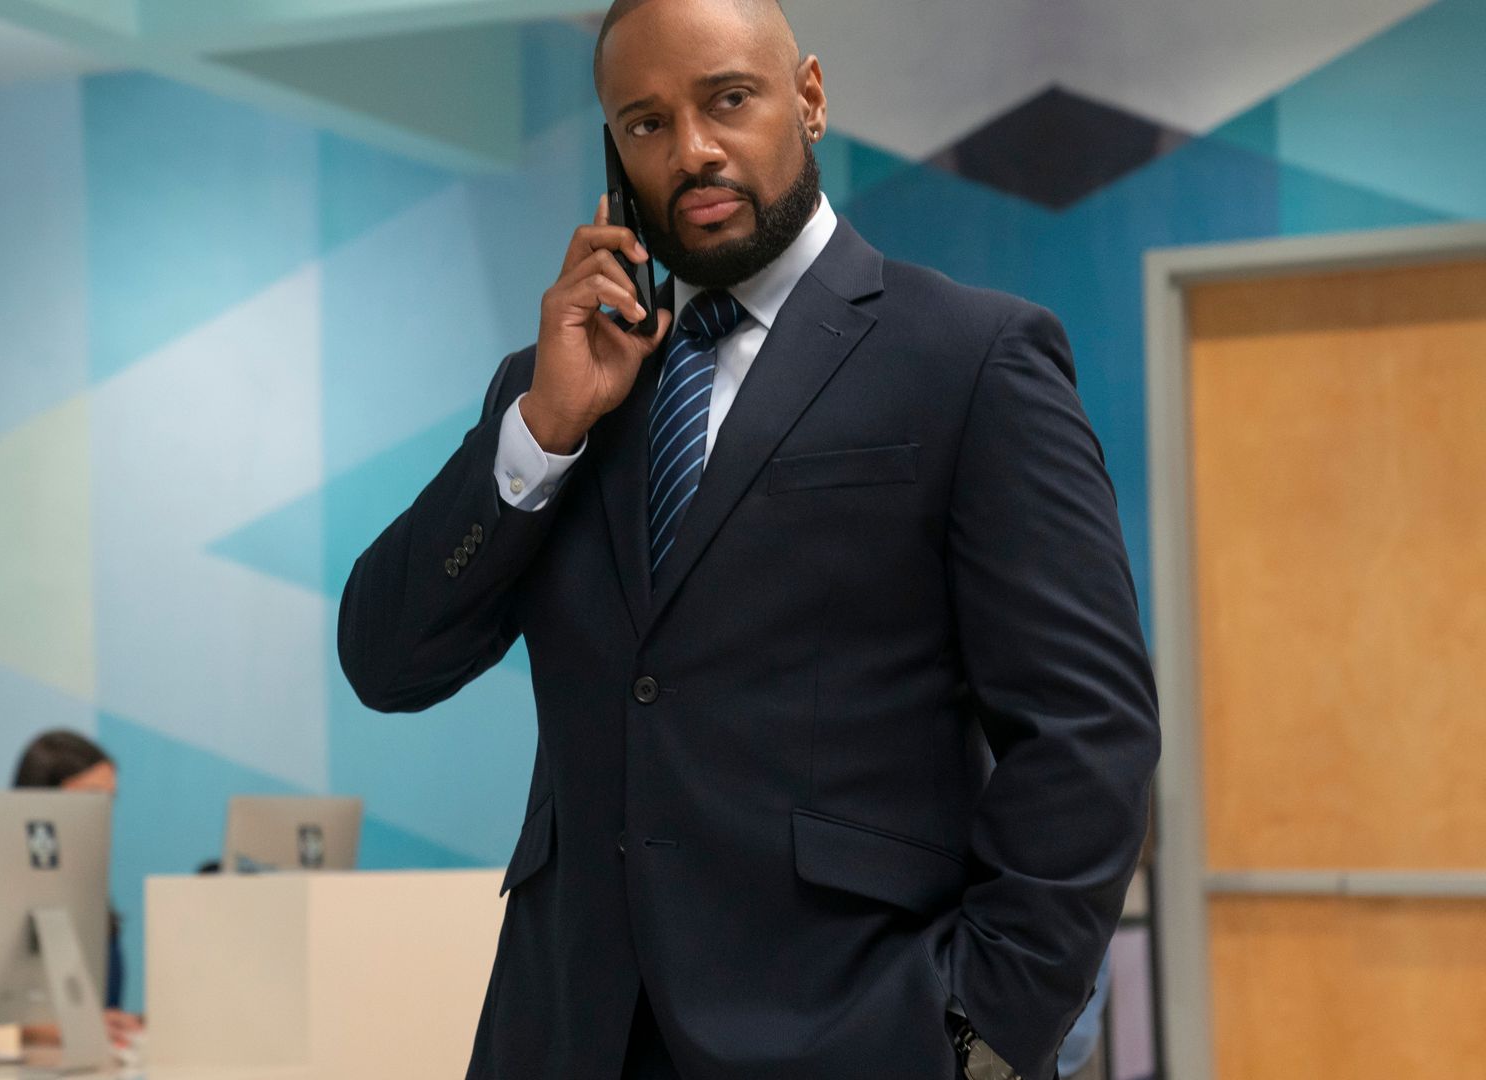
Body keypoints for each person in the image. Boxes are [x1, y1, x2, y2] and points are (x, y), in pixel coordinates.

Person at [336, 1, 1160, 1076]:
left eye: (728, 99)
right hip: (567, 1034)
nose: (693, 152)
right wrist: (541, 435)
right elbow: (386, 660)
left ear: (808, 98)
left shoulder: (971, 359)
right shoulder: (559, 392)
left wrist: (980, 1032)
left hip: (861, 1037)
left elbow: (1088, 734)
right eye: (645, 123)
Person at [11, 729, 142, 1050]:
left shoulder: (88, 886)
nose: (103, 814)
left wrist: (112, 1020)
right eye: (90, 799)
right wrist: (39, 1030)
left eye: (109, 800)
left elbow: (99, 1001)